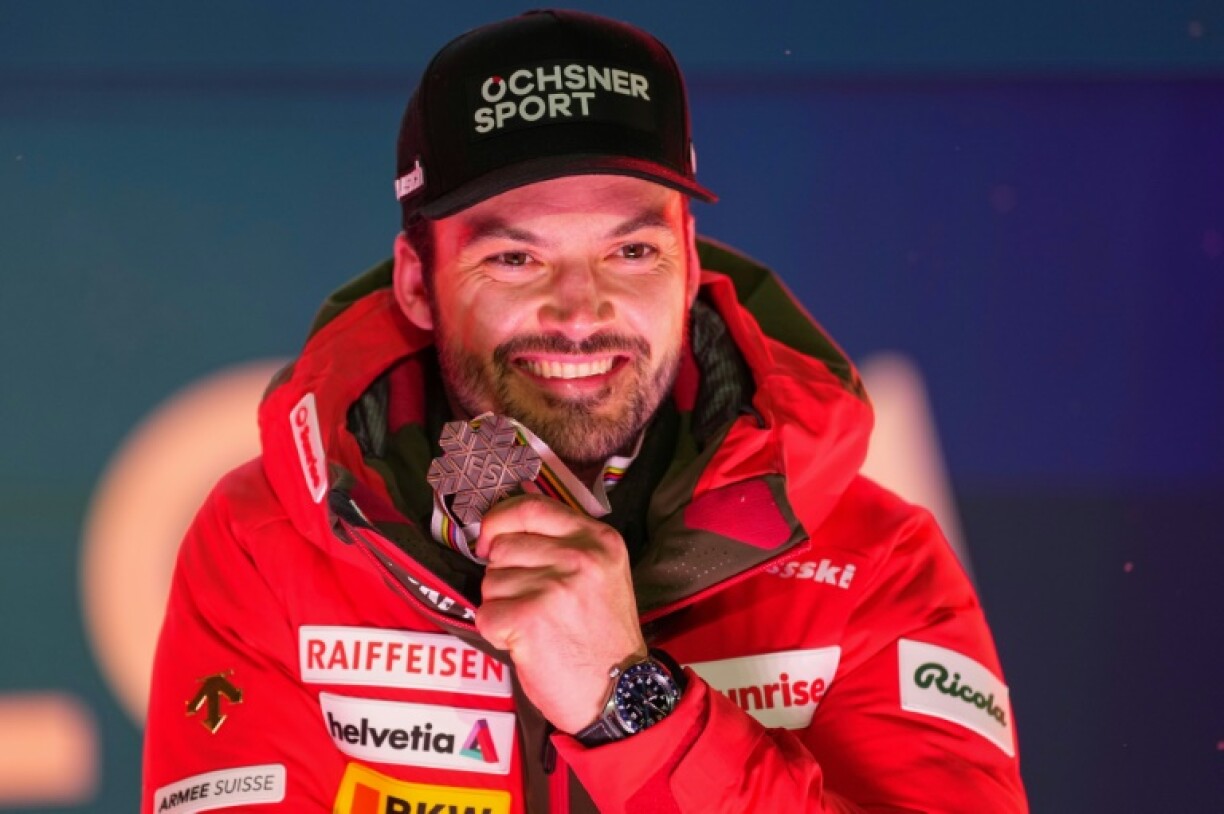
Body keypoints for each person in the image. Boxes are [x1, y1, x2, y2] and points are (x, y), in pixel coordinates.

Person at [142, 9, 1028, 814]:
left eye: (630, 250)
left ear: (688, 261)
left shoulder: (874, 562)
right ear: (417, 282)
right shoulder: (267, 545)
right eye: (516, 261)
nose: (579, 312)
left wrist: (632, 706)